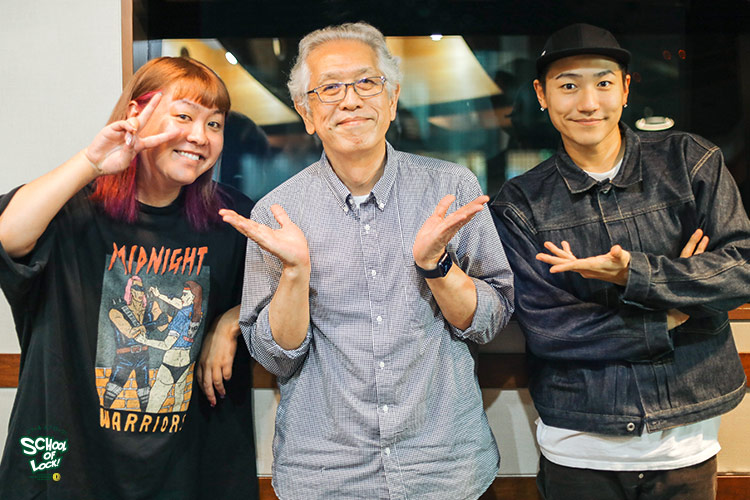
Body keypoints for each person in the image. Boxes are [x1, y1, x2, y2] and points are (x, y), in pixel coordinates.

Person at [212, 22, 514, 500]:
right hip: (326, 473)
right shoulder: (277, 212)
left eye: (367, 82)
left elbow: (490, 320)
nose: (350, 100)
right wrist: (295, 273)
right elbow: (275, 357)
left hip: (443, 468)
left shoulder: (451, 188)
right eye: (330, 88)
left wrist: (436, 265)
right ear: (306, 112)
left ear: (392, 99)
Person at [491, 23, 750, 500]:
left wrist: (637, 274)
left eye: (604, 83)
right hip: (578, 443)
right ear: (542, 95)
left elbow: (741, 269)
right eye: (568, 86)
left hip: (686, 441)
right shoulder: (520, 203)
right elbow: (549, 328)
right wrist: (676, 309)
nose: (588, 102)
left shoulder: (689, 162)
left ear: (626, 89)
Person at [0, 56, 258, 499]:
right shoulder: (75, 209)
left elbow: (285, 299)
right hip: (71, 472)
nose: (200, 136)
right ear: (137, 113)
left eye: (214, 124)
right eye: (184, 117)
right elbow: (8, 238)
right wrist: (92, 161)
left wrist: (232, 319)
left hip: (185, 474)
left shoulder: (231, 218)